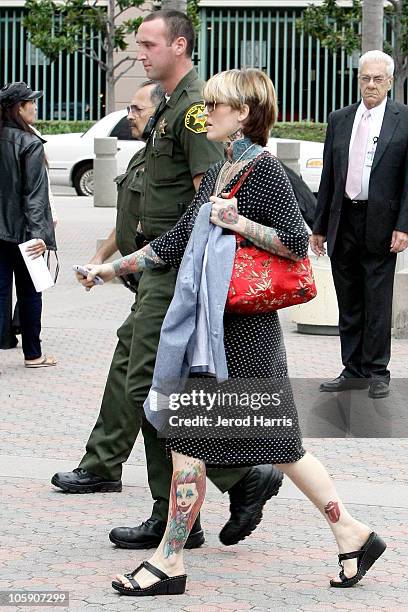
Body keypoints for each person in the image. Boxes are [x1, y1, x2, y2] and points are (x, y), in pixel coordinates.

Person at [81, 69, 386, 596]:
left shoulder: (262, 168)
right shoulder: (227, 169)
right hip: (217, 335)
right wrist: (110, 268)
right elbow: (175, 241)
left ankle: (170, 561)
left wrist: (238, 223)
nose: (206, 115)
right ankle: (352, 533)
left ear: (243, 113)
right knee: (260, 445)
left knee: (212, 443)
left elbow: (296, 241)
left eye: (215, 107)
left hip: (242, 336)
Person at [52, 10, 283, 550]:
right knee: (142, 377)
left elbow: (211, 199)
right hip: (157, 268)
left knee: (155, 389)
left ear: (179, 45)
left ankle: (227, 482)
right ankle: (189, 502)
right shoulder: (170, 105)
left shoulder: (198, 107)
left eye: (149, 44)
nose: (139, 53)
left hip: (177, 270)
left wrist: (168, 260)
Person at [311, 50, 408, 399]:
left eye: (377, 79)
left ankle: (377, 371)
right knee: (349, 300)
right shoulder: (340, 119)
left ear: (390, 82)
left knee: (377, 302)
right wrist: (319, 227)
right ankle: (352, 370)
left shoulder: (404, 119)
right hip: (343, 219)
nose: (370, 85)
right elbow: (329, 176)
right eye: (365, 78)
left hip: (382, 223)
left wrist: (404, 226)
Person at [0, 81, 57, 369]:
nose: (35, 107)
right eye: (30, 103)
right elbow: (34, 196)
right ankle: (33, 354)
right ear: (18, 108)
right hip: (24, 233)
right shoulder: (30, 143)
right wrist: (39, 236)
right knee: (30, 291)